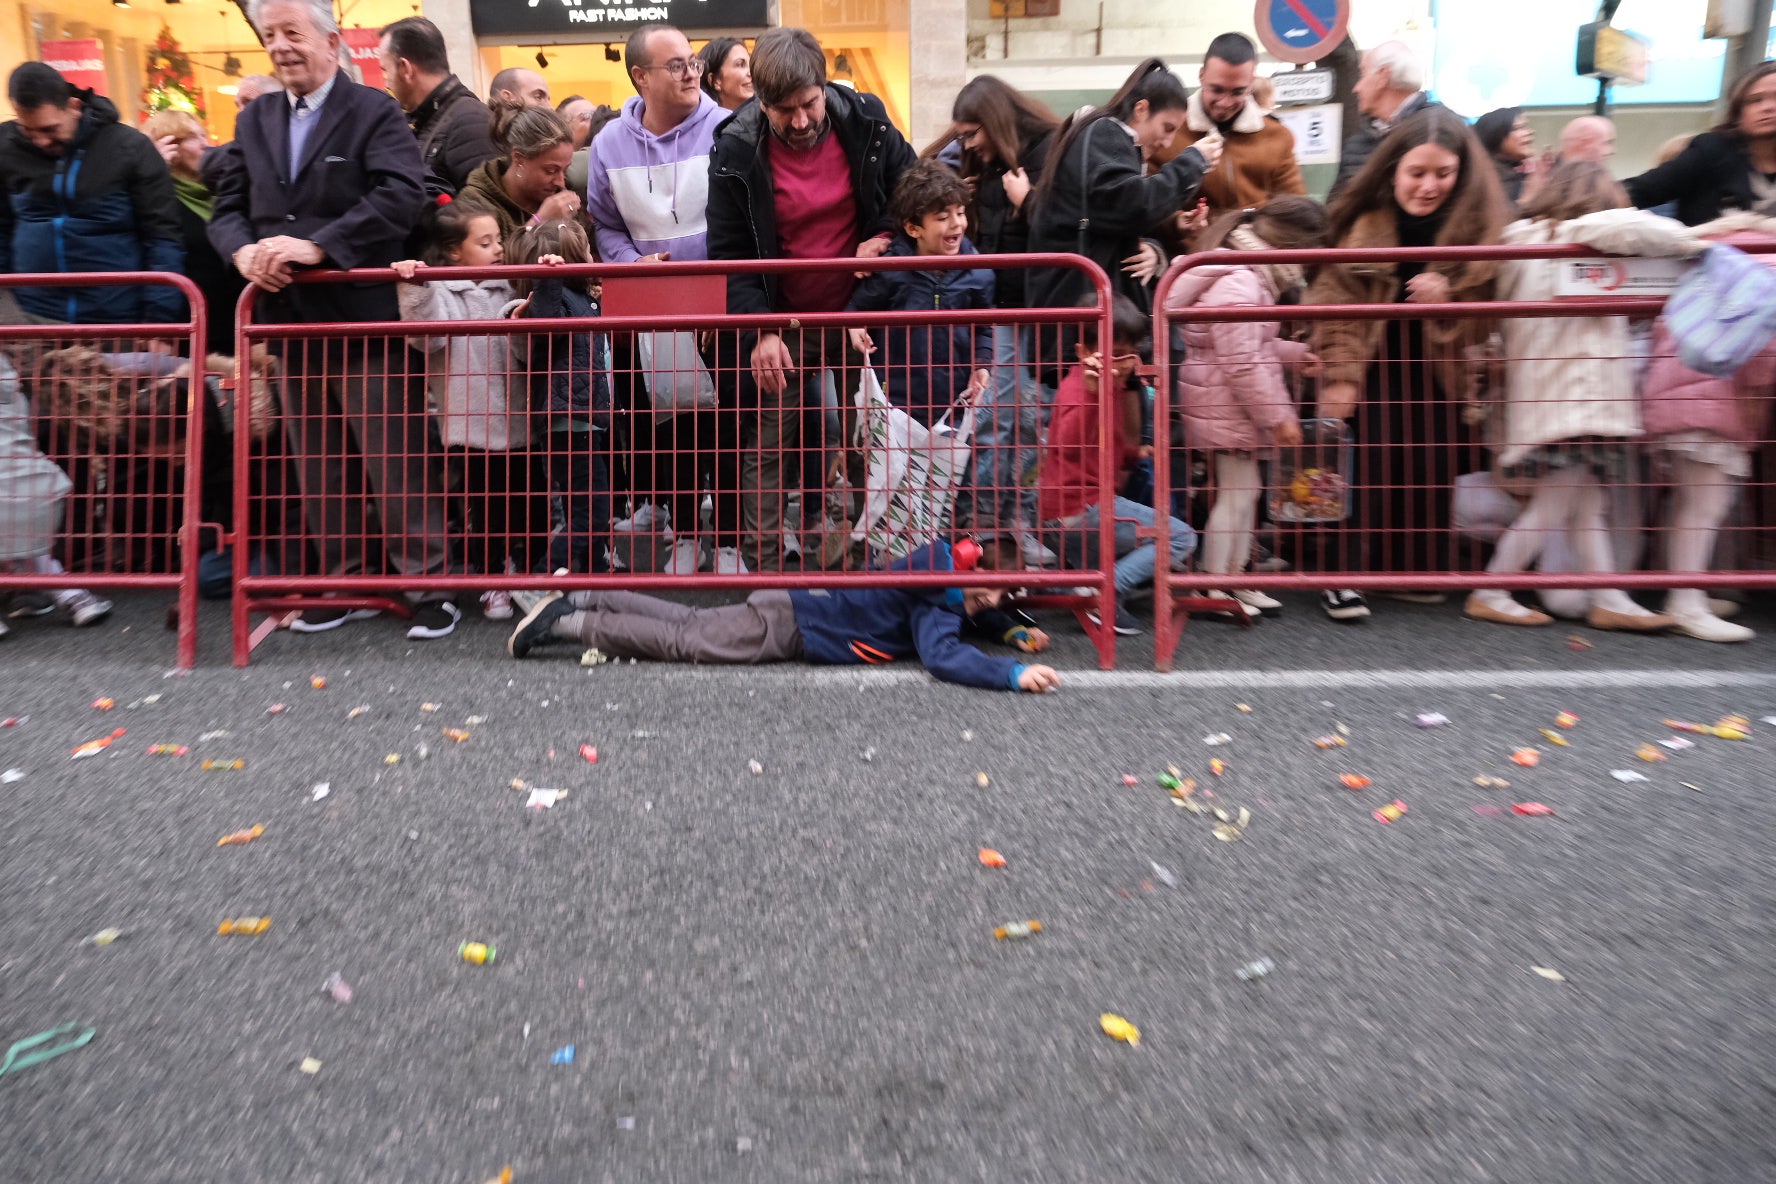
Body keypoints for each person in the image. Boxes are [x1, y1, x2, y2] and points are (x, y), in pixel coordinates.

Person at [208, 0, 456, 639]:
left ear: (331, 40)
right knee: (319, 466)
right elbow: (228, 205)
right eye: (270, 35)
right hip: (291, 324)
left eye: (293, 32)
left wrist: (320, 246)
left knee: (395, 461)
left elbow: (403, 193)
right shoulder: (257, 116)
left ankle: (427, 583)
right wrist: (242, 252)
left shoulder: (372, 110)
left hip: (362, 318)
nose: (281, 46)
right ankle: (343, 580)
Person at [706, 25, 918, 573]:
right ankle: (767, 572)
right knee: (771, 446)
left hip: (860, 313)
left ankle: (871, 566)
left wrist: (888, 234)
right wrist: (763, 331)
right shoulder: (735, 144)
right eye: (783, 110)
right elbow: (729, 252)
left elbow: (915, 192)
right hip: (785, 318)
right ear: (759, 100)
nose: (799, 121)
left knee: (866, 438)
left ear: (825, 86)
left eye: (809, 104)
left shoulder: (867, 119)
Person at [1465, 161, 1691, 633]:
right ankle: (1491, 588)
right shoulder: (1588, 229)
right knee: (1561, 501)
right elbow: (1645, 229)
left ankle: (1610, 598)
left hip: (1550, 394)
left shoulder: (1520, 242)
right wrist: (1703, 242)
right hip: (1580, 395)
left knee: (1584, 502)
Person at [1307, 107, 1509, 622]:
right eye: (1416, 173)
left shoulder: (1480, 228)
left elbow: (1487, 314)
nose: (1429, 186)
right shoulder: (1361, 220)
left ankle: (1412, 568)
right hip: (1371, 361)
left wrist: (1451, 296)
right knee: (1360, 465)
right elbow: (1334, 304)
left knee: (1429, 464)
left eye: (1443, 174)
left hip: (1437, 367)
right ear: (1393, 167)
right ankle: (1341, 576)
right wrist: (1343, 376)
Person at [507, 537, 1061, 692]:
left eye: (993, 602)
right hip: (794, 626)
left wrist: (1010, 629)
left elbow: (969, 612)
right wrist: (1009, 675)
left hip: (795, 606)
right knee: (687, 642)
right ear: (964, 571)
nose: (981, 606)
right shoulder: (937, 602)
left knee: (684, 622)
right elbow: (944, 656)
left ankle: (581, 597)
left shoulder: (939, 572)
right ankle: (565, 622)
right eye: (982, 596)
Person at [586, 23, 738, 576]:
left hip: (720, 308)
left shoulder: (728, 129)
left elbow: (746, 221)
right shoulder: (607, 145)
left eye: (692, 59)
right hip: (655, 312)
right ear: (639, 77)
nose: (690, 70)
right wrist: (629, 267)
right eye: (674, 64)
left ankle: (729, 542)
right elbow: (604, 225)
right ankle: (685, 536)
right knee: (670, 430)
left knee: (726, 428)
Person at [1166, 197, 1324, 619]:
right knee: (1237, 496)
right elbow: (1243, 361)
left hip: (1226, 398)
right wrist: (1279, 417)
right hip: (1228, 401)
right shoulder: (1242, 283)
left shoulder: (1247, 276)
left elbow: (1251, 346)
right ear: (1294, 251)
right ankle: (1215, 583)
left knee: (1244, 493)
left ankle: (1231, 579)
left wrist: (1292, 353)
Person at [393, 197, 543, 621]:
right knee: (485, 507)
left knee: (529, 503)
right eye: (485, 242)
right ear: (455, 252)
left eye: (499, 239)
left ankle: (530, 576)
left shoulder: (513, 286)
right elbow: (426, 340)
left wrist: (525, 322)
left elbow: (528, 354)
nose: (498, 249)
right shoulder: (441, 290)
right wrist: (414, 287)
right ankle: (493, 578)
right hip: (469, 426)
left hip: (519, 421)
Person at [1638, 211, 1776, 642]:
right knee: (1705, 505)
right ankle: (1686, 603)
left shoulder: (1716, 254)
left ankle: (1686, 589)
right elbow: (1763, 347)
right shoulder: (1766, 258)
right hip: (1713, 402)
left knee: (1690, 503)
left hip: (1677, 394)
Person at [944, 75, 1060, 566]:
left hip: (1037, 307)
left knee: (1031, 426)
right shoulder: (982, 164)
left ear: (994, 121)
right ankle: (988, 530)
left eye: (973, 133)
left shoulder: (1047, 152)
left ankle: (1015, 526)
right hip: (1004, 311)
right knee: (996, 423)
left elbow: (1065, 228)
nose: (967, 143)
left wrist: (1028, 203)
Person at [1038, 296, 1198, 635]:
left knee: (1133, 548)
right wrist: (1094, 395)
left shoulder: (1103, 385)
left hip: (1068, 511)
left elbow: (1101, 444)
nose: (1126, 362)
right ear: (1084, 352)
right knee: (1181, 537)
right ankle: (1105, 592)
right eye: (1117, 352)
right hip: (1080, 509)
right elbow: (1066, 443)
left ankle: (1086, 585)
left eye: (1132, 352)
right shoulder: (1081, 386)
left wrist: (1132, 453)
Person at [1026, 59, 1217, 318]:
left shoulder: (1101, 136)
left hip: (1078, 299)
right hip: (1080, 306)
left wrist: (1173, 226)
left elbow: (1112, 212)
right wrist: (1193, 162)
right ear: (1141, 109)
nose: (1168, 141)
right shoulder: (1106, 136)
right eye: (1167, 128)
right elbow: (1131, 206)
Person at [0, 63, 183, 326]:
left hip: (116, 320)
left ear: (74, 106)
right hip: (31, 319)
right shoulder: (5, 146)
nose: (40, 141)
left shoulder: (130, 147)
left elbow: (163, 236)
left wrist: (158, 318)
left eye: (50, 129)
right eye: (28, 131)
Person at [845, 160, 994, 429]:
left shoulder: (978, 272)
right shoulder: (892, 269)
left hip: (954, 404)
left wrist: (982, 365)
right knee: (895, 469)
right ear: (914, 229)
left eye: (960, 213)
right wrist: (855, 326)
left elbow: (984, 328)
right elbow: (858, 307)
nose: (956, 224)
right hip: (897, 404)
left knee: (946, 469)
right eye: (942, 217)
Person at [507, 218, 610, 576]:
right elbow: (547, 324)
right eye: (586, 252)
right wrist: (548, 279)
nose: (593, 257)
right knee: (593, 512)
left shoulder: (584, 298)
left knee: (584, 505)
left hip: (584, 417)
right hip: (569, 420)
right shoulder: (557, 297)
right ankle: (542, 573)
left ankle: (595, 571)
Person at [0, 352, 112, 633]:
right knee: (17, 531)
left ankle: (66, 593)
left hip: (20, 502)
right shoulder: (14, 391)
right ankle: (71, 594)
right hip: (40, 496)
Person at [1172, 33, 1305, 224]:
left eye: (1237, 92)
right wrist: (1177, 223)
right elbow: (1147, 204)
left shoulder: (1277, 136)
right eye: (1217, 89)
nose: (1225, 102)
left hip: (1258, 248)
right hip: (1191, 250)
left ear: (1251, 83)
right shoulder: (1171, 131)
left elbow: (1295, 208)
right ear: (1201, 76)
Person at [1626, 61, 1776, 226]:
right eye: (1755, 100)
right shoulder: (1712, 150)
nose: (1768, 107)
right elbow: (1639, 192)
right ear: (1738, 112)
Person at [145, 109, 244, 356]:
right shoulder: (159, 199)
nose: (205, 144)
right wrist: (153, 173)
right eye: (192, 137)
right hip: (191, 330)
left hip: (238, 322)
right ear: (171, 146)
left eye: (204, 135)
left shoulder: (223, 190)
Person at [377, 17, 497, 194]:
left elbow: (487, 209)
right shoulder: (425, 120)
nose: (387, 83)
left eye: (386, 71)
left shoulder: (471, 121)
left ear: (405, 68)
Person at [1328, 41, 1442, 202]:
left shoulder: (1439, 130)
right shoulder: (1358, 142)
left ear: (1383, 76)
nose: (1356, 88)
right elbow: (1336, 208)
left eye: (1362, 74)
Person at [457, 101, 582, 241]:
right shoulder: (475, 202)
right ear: (519, 158)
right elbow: (488, 260)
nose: (561, 182)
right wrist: (539, 221)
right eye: (550, 170)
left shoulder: (564, 195)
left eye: (565, 170)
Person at [1473, 106, 1535, 206]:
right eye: (1518, 128)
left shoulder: (1514, 177)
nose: (1529, 132)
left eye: (1525, 127)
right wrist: (1526, 200)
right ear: (1495, 135)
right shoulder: (1484, 182)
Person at [698, 38, 754, 111]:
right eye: (740, 64)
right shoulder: (707, 121)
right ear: (714, 80)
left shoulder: (766, 118)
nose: (751, 73)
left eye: (751, 65)